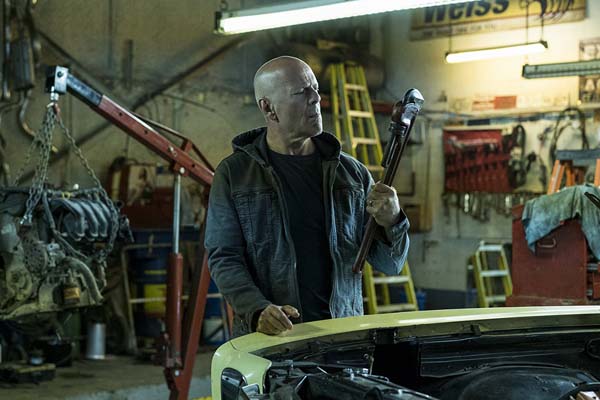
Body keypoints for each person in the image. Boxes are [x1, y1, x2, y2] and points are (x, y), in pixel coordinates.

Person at [205, 56, 409, 337]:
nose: (316, 98)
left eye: (315, 88)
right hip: (272, 339)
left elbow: (391, 263)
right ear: (268, 108)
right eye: (302, 92)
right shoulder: (235, 175)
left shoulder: (352, 174)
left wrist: (393, 221)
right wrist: (256, 310)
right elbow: (224, 257)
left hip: (342, 336)